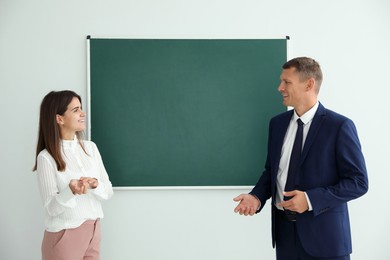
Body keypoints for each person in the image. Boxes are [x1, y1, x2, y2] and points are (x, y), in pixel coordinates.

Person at [233, 57, 368, 260]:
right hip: (285, 238)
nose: (280, 87)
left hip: (326, 241)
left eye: (287, 82)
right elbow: (272, 172)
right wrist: (256, 197)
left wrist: (310, 199)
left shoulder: (339, 126)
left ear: (309, 84)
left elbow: (358, 182)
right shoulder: (277, 124)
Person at [33, 90, 113, 260]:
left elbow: (108, 192)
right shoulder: (46, 158)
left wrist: (95, 184)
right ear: (59, 119)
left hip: (94, 231)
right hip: (64, 235)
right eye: (76, 110)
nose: (83, 113)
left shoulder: (90, 148)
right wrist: (71, 190)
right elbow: (51, 209)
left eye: (81, 108)